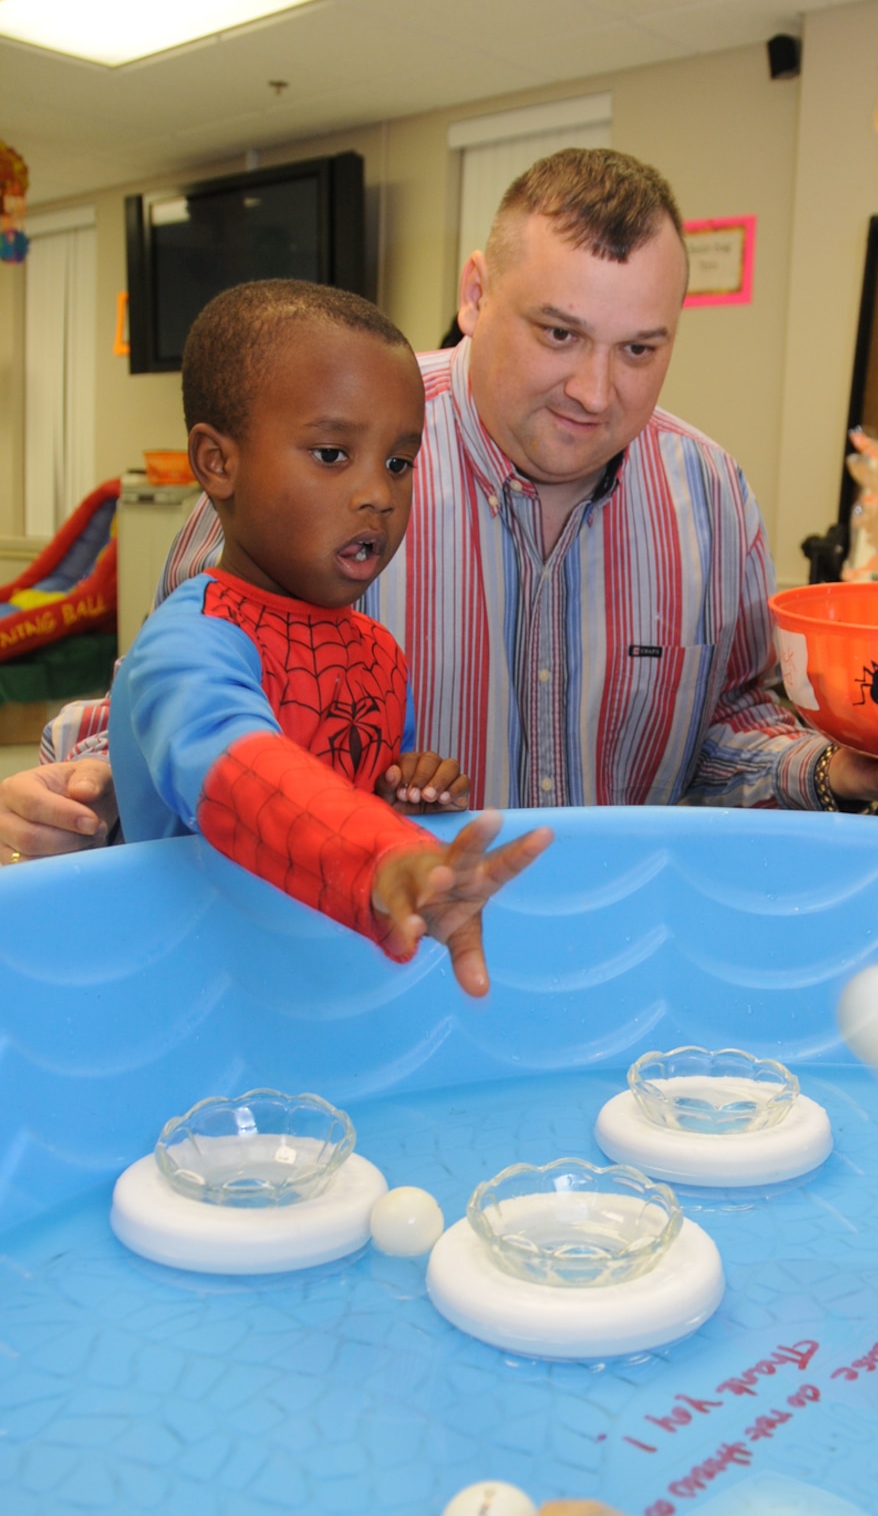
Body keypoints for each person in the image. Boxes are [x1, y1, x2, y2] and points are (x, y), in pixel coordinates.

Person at [0, 148, 878, 859]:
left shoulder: (709, 494)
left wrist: (835, 771)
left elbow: (729, 724)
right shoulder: (310, 463)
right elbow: (168, 704)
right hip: (360, 957)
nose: (596, 391)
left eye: (640, 348)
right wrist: (66, 797)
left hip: (618, 951)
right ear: (476, 293)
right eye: (559, 334)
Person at [110, 279, 550, 991]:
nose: (379, 492)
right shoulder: (189, 643)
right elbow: (239, 773)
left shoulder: (378, 654)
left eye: (399, 462)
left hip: (318, 988)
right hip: (191, 993)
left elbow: (352, 796)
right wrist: (385, 855)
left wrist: (405, 801)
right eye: (330, 454)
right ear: (218, 463)